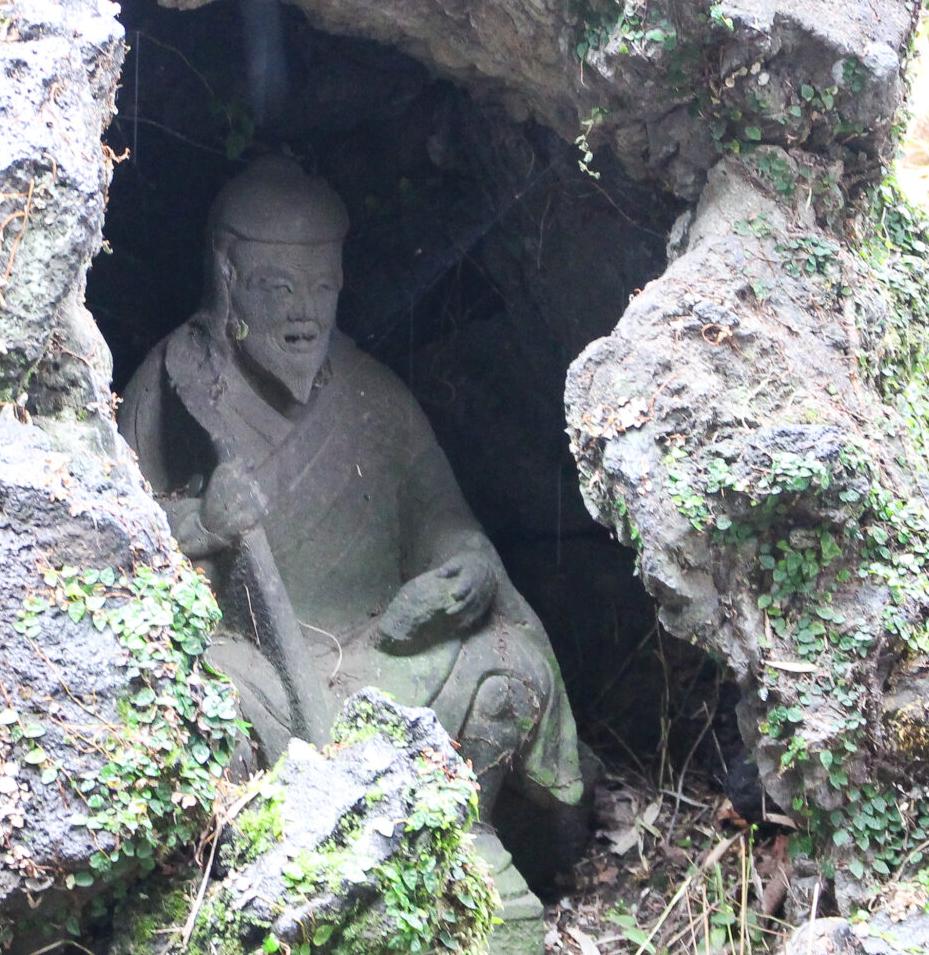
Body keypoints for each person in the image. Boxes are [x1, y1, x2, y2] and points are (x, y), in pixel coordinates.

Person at [119, 157, 586, 831]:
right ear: (228, 277)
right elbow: (108, 534)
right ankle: (259, 842)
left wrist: (467, 566)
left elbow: (441, 515)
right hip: (253, 662)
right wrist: (198, 522)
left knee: (509, 666)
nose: (302, 313)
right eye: (277, 287)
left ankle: (453, 837)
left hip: (380, 655)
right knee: (192, 696)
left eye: (321, 288)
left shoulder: (376, 396)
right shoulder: (172, 381)